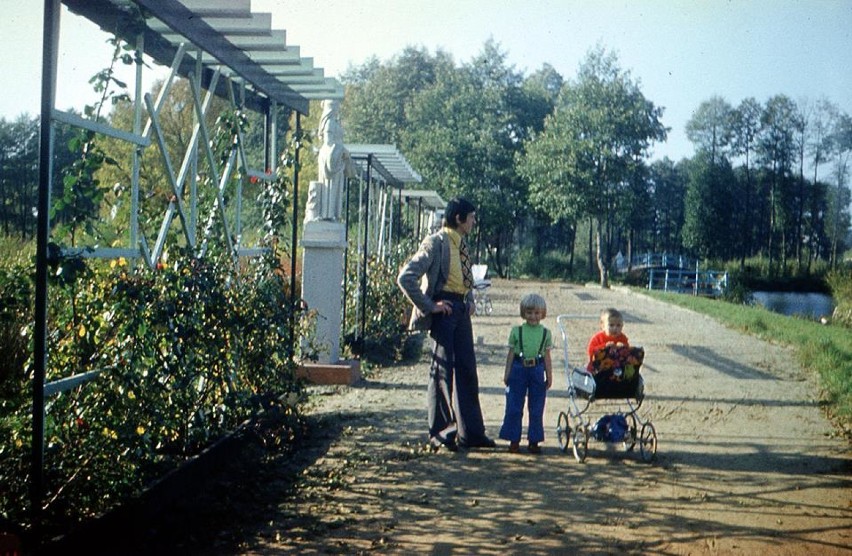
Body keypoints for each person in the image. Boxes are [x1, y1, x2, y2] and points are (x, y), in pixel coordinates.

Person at [397, 197, 495, 452]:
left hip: (461, 310)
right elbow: (406, 277)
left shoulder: (462, 243)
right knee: (441, 372)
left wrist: (470, 299)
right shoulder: (436, 242)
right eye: (471, 217)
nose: (474, 222)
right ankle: (441, 433)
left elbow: (464, 277)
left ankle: (471, 433)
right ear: (459, 219)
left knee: (467, 370)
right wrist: (430, 306)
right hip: (445, 311)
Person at [499, 293, 553, 454]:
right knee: (514, 405)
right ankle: (513, 439)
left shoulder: (546, 333)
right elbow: (510, 354)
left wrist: (549, 375)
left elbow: (547, 357)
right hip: (518, 368)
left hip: (537, 369)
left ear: (542, 314)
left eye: (537, 313)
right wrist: (507, 372)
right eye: (529, 312)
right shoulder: (517, 331)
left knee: (537, 406)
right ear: (523, 313)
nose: (533, 316)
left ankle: (534, 440)